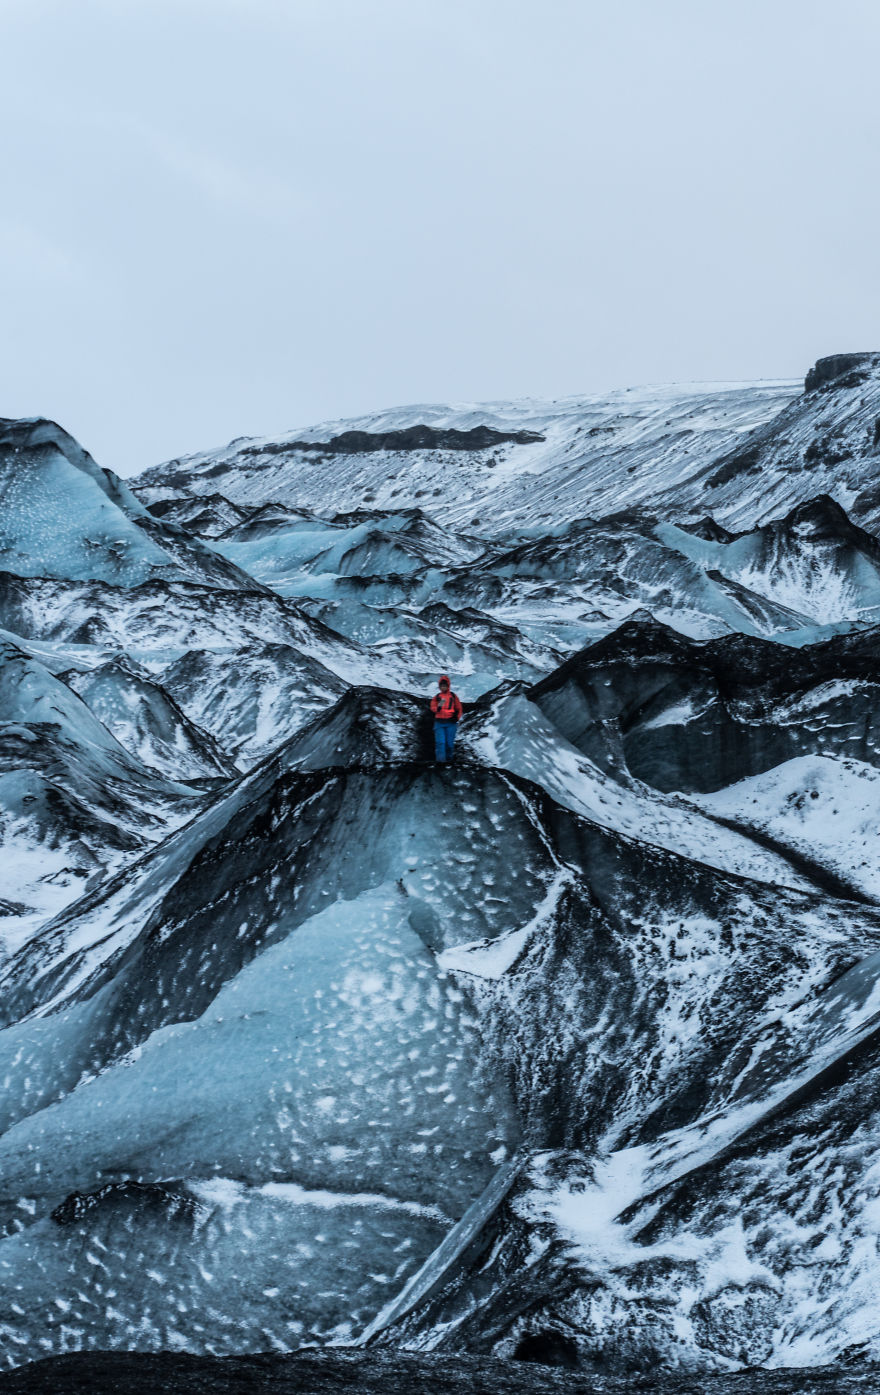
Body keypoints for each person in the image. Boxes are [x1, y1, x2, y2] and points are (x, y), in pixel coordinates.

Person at [430, 674, 462, 763]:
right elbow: (432, 707)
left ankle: (449, 761)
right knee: (440, 743)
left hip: (451, 723)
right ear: (440, 687)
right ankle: (441, 763)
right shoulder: (437, 697)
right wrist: (438, 708)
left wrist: (456, 718)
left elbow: (459, 708)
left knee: (449, 744)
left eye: (445, 686)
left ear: (448, 686)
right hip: (439, 722)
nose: (443, 688)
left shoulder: (453, 696)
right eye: (442, 686)